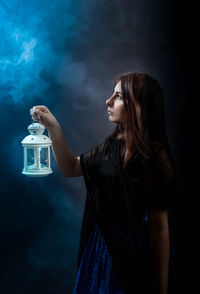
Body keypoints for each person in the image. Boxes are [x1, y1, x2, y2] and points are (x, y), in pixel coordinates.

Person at [30, 72, 179, 294]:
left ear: (137, 105)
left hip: (138, 252)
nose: (108, 101)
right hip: (103, 251)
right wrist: (53, 127)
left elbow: (159, 229)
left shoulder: (156, 157)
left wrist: (162, 289)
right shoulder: (111, 147)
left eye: (118, 96)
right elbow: (71, 168)